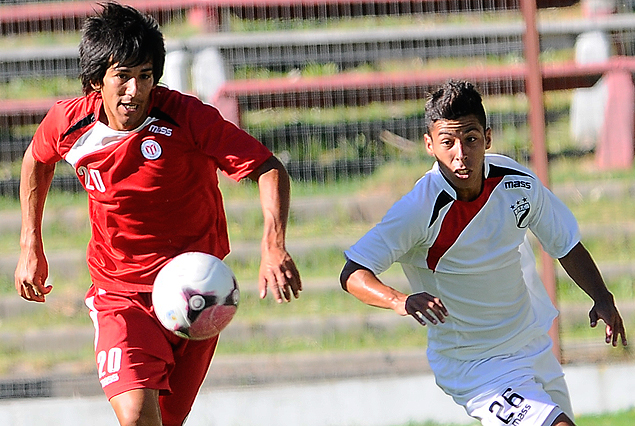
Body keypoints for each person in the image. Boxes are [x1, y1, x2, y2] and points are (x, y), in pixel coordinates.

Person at [14, 3, 301, 426]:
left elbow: (267, 168)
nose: (135, 90)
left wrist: (273, 245)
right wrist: (30, 244)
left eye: (145, 76)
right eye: (122, 76)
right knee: (134, 415)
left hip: (199, 290)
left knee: (164, 422)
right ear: (96, 80)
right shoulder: (69, 123)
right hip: (119, 295)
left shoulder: (187, 117)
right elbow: (36, 161)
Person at [340, 80, 627, 426]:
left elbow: (565, 243)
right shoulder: (418, 210)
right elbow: (353, 272)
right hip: (476, 366)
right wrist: (399, 300)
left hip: (532, 345)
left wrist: (601, 296)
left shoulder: (516, 182)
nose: (461, 154)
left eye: (471, 139)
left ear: (487, 138)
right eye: (448, 142)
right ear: (429, 145)